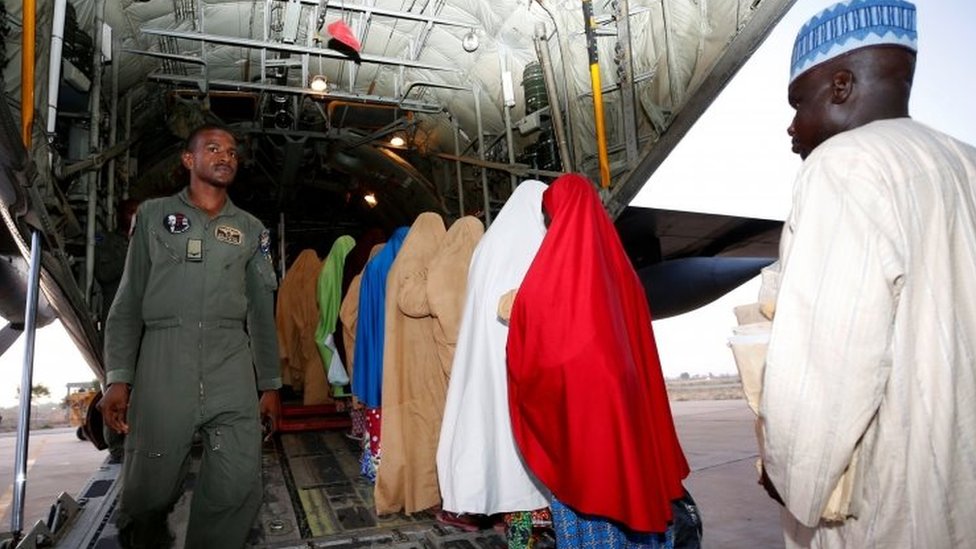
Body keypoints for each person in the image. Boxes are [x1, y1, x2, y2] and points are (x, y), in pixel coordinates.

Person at [760, 1, 976, 546]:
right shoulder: (965, 163)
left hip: (890, 506)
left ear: (841, 86)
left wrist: (789, 474)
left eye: (798, 103)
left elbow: (827, 363)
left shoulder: (844, 166)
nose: (792, 125)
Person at [98, 124, 282, 548]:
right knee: (148, 492)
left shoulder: (252, 229)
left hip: (230, 362)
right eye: (213, 149)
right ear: (188, 159)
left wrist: (270, 384)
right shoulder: (153, 216)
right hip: (164, 362)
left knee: (238, 485)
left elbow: (261, 312)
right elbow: (127, 302)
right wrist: (118, 377)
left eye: (231, 152)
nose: (225, 157)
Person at [506, 174, 693, 547]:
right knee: (631, 482)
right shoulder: (622, 270)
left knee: (586, 491)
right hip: (625, 400)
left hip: (580, 409)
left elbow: (536, 340)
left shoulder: (548, 271)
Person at [436, 182, 551, 546]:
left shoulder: (487, 245)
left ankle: (519, 538)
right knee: (523, 460)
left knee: (499, 447)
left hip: (483, 361)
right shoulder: (533, 243)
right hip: (517, 361)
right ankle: (526, 537)